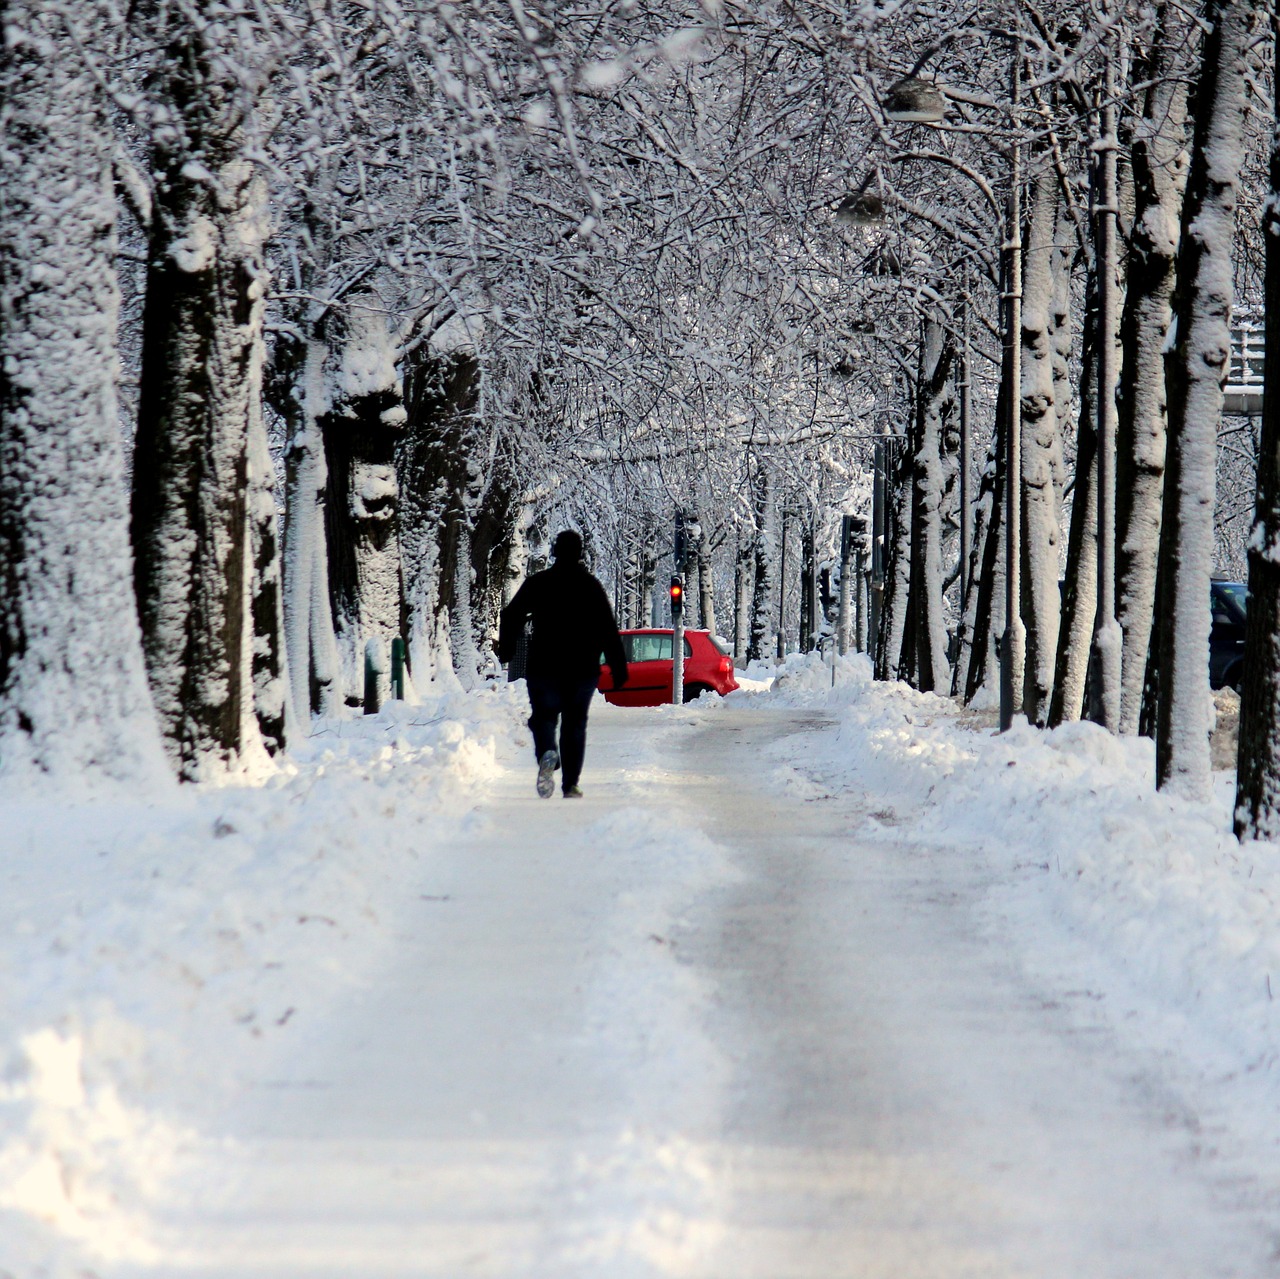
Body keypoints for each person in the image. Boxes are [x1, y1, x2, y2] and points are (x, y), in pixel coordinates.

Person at [497, 531, 628, 798]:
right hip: (582, 669)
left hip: (544, 666)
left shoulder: (539, 583)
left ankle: (547, 751)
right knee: (575, 723)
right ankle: (571, 784)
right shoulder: (591, 586)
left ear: (555, 551)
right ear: (580, 553)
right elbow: (607, 628)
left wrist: (507, 650)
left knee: (544, 717)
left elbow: (512, 615)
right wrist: (618, 667)